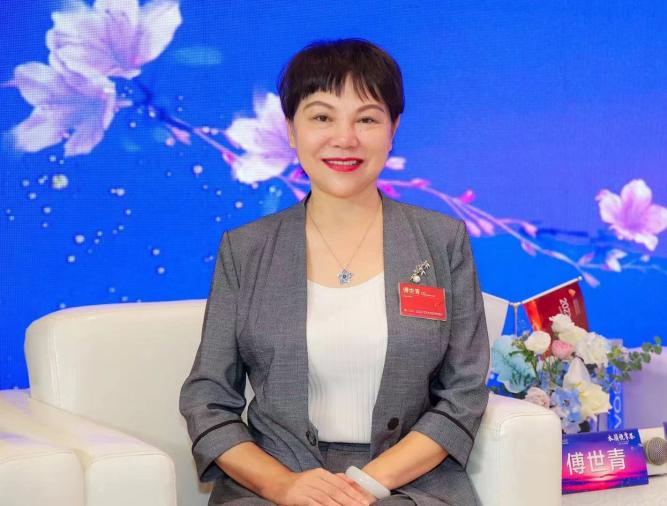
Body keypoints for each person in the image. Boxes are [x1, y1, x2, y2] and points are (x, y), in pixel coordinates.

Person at [179, 39, 490, 506]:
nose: (345, 138)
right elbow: (208, 399)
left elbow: (463, 393)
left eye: (366, 119)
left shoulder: (442, 241)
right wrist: (283, 485)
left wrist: (363, 485)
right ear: (291, 129)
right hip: (275, 487)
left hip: (407, 485)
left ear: (393, 130)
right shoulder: (245, 249)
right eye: (322, 117)